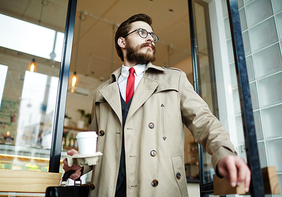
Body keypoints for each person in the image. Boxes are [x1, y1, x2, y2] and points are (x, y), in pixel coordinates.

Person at [63, 13, 251, 197]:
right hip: (109, 191)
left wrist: (224, 152)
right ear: (122, 42)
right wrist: (80, 164)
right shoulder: (102, 92)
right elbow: (97, 144)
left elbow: (204, 121)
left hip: (158, 189)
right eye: (142, 33)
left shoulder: (174, 79)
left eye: (152, 35)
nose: (150, 39)